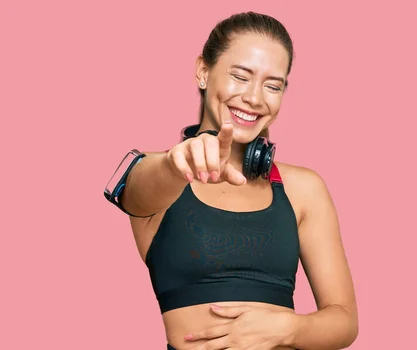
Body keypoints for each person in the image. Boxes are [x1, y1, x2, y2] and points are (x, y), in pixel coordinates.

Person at [116, 11, 358, 350]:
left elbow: (344, 320)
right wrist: (176, 163)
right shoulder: (159, 175)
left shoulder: (303, 189)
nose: (255, 98)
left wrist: (288, 329)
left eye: (272, 85)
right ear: (203, 72)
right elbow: (138, 190)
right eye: (240, 76)